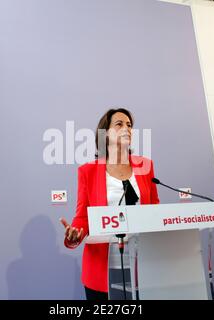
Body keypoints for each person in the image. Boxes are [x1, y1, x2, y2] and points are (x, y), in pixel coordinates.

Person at [60, 108, 160, 300]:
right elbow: (83, 216)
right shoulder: (88, 171)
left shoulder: (145, 166)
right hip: (103, 269)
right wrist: (75, 235)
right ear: (105, 134)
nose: (127, 129)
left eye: (129, 125)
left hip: (143, 267)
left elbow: (154, 209)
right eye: (119, 124)